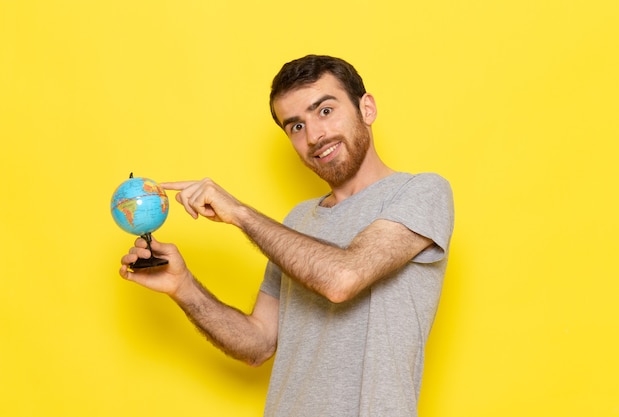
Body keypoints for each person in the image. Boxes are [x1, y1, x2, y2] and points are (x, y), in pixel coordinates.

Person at [120, 54, 454, 416]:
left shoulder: (421, 192)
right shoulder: (295, 222)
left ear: (367, 108)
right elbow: (258, 343)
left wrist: (241, 214)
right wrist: (182, 286)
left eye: (325, 111)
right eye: (296, 126)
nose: (314, 136)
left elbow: (343, 278)